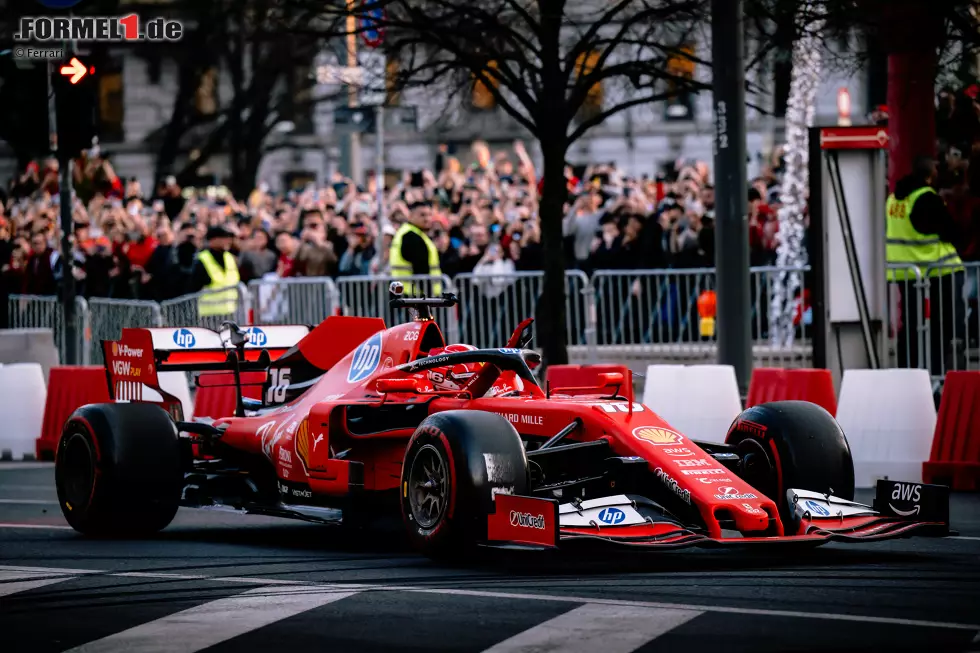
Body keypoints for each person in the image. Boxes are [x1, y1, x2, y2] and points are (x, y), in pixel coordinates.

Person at [886, 155, 964, 375]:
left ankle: (907, 374)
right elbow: (948, 230)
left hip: (905, 271)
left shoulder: (894, 199)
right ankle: (937, 374)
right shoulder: (927, 197)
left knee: (910, 327)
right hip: (938, 270)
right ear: (930, 175)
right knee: (941, 327)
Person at [390, 201, 442, 296]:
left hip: (408, 294)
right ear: (411, 216)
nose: (427, 219)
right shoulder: (411, 236)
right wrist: (430, 296)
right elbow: (421, 270)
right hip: (417, 296)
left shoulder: (408, 232)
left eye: (429, 215)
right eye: (422, 215)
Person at [191, 224, 241, 317]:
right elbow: (193, 288)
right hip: (209, 316)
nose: (228, 241)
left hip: (231, 313)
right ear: (213, 240)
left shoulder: (230, 257)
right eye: (224, 237)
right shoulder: (202, 259)